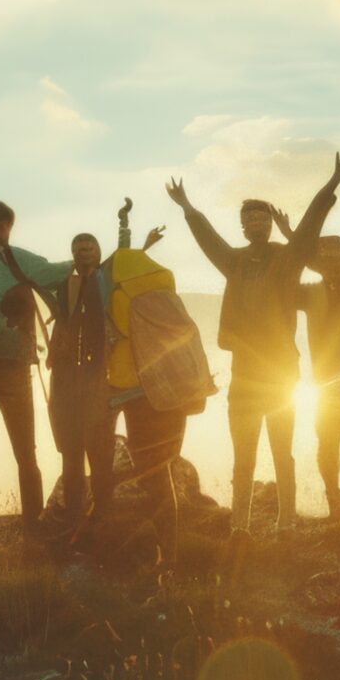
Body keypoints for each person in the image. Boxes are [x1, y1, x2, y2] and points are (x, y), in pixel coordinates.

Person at [167, 146, 340, 540]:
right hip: (244, 378)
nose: (255, 223)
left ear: (270, 224)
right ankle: (240, 527)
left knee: (281, 452)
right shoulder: (234, 262)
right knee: (244, 457)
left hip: (281, 374)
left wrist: (334, 180)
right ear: (242, 226)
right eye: (248, 218)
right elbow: (208, 239)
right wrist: (187, 206)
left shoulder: (286, 260)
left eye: (262, 217)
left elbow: (308, 227)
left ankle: (285, 523)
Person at [0, 204, 162, 550]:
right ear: (71, 255)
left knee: (99, 450)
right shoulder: (63, 286)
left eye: (88, 247)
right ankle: (74, 517)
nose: (82, 252)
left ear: (98, 253)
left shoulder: (105, 280)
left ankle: (103, 515)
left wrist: (125, 223)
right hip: (66, 377)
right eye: (77, 248)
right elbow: (31, 279)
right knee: (69, 451)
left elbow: (124, 260)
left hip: (97, 376)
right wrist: (2, 251)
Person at [102, 201, 212, 565]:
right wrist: (133, 234)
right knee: (160, 476)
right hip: (170, 393)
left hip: (128, 393)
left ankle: (148, 555)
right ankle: (169, 555)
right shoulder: (161, 293)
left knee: (138, 476)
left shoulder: (114, 298)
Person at [0, 200, 69, 532]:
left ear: (5, 227)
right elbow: (61, 271)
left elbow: (63, 272)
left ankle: (19, 523)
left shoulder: (14, 261)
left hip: (4, 369)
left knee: (11, 452)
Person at [294, 231, 340, 520]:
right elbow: (283, 280)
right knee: (326, 440)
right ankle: (334, 495)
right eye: (326, 258)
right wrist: (295, 241)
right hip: (325, 384)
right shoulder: (310, 292)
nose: (333, 263)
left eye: (339, 257)